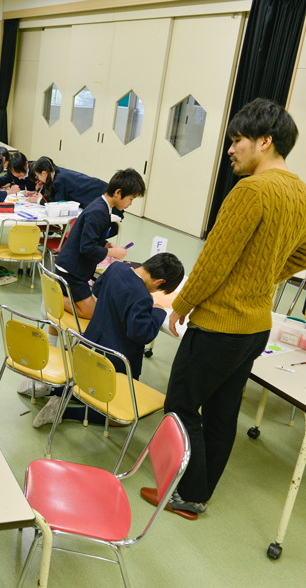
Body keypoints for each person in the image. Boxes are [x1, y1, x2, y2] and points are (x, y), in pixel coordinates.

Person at [153, 98, 306, 519]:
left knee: (182, 405)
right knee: (222, 411)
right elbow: (303, 252)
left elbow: (214, 261)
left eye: (238, 141)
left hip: (220, 325)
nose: (231, 150)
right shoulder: (299, 191)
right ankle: (198, 495)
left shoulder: (251, 190)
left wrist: (181, 304)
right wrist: (267, 274)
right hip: (256, 326)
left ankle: (187, 491)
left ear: (265, 141)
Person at [32, 252, 184, 427]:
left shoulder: (117, 268)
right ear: (159, 282)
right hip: (115, 362)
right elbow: (143, 334)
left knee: (90, 387)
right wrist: (157, 311)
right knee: (124, 414)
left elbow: (97, 290)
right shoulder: (142, 297)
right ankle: (64, 412)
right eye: (159, 290)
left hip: (87, 346)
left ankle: (54, 390)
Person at [53, 168, 144, 319]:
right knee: (91, 313)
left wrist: (108, 245)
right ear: (118, 193)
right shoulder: (99, 211)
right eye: (131, 199)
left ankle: (53, 301)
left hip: (72, 268)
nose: (130, 204)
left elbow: (92, 238)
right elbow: (87, 248)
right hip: (71, 272)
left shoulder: (102, 206)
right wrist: (112, 253)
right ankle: (53, 299)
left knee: (77, 311)